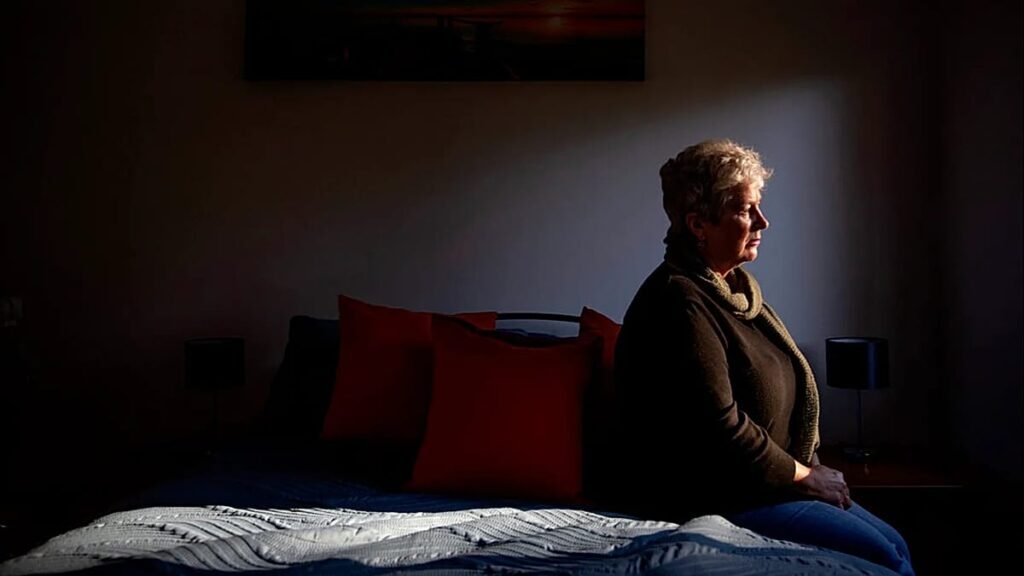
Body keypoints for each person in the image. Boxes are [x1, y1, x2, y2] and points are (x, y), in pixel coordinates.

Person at [611, 139, 914, 576]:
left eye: (759, 206)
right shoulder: (678, 302)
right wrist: (804, 477)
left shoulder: (738, 296)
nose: (762, 221)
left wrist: (806, 471)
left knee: (896, 544)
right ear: (699, 224)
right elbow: (720, 429)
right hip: (720, 497)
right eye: (744, 209)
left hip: (769, 487)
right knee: (884, 558)